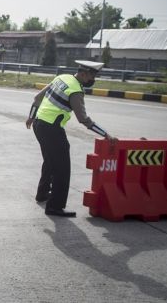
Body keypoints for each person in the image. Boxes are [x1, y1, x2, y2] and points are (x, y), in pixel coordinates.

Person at [26, 60, 117, 217]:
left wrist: (31, 117)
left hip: (39, 124)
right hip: (52, 130)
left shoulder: (62, 77)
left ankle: (42, 194)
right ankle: (55, 206)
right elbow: (83, 119)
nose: (92, 81)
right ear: (83, 74)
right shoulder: (76, 91)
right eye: (91, 77)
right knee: (62, 168)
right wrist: (105, 134)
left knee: (49, 161)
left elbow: (37, 98)